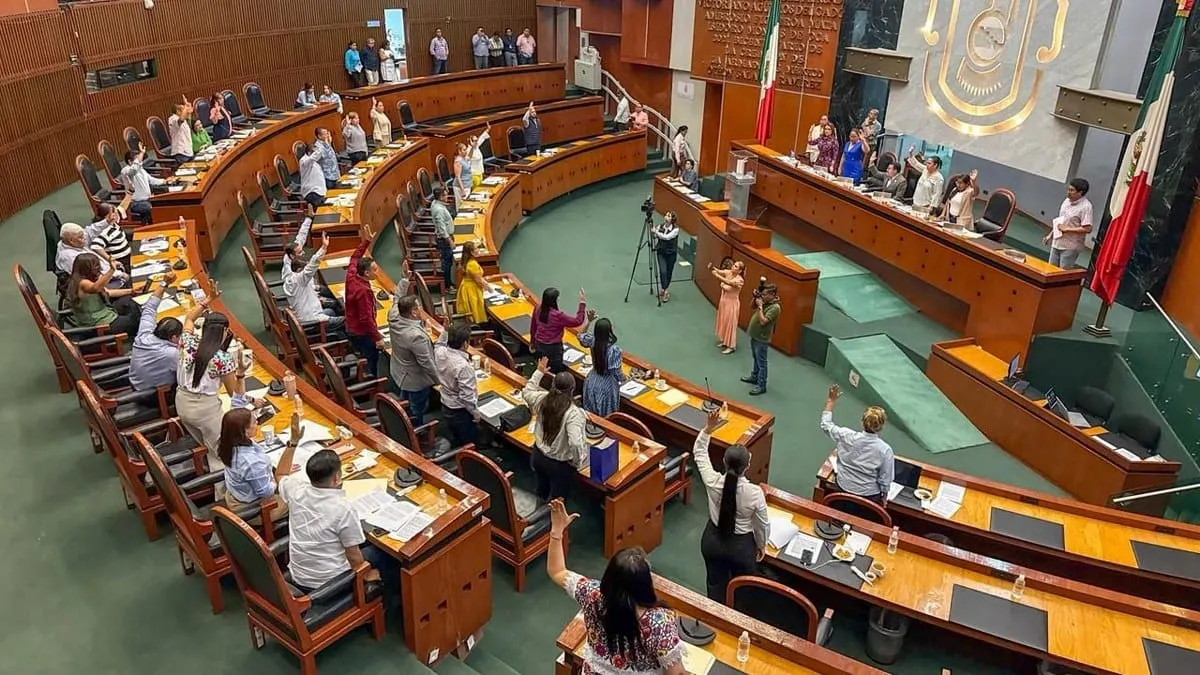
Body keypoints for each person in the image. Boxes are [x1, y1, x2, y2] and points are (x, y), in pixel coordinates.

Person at [546, 502, 687, 674]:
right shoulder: (659, 623)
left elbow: (557, 570)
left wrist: (557, 531)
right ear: (645, 584)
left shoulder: (592, 594)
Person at [279, 449, 388, 590]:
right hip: (330, 584)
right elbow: (354, 557)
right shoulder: (343, 509)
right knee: (385, 556)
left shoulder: (296, 490)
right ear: (336, 477)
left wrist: (293, 443)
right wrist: (366, 575)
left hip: (299, 574)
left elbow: (280, 474)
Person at [695, 407, 768, 601]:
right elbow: (762, 525)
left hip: (712, 540)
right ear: (747, 467)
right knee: (742, 590)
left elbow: (700, 453)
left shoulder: (712, 481)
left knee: (714, 584)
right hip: (741, 547)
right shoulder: (755, 493)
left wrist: (708, 429)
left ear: (724, 463)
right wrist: (761, 545)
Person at [175, 309, 248, 460]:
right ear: (226, 331)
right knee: (223, 453)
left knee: (206, 445)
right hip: (205, 410)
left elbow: (189, 317)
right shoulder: (222, 359)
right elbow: (234, 395)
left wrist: (207, 301)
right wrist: (240, 373)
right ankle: (220, 482)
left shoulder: (186, 340)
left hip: (182, 402)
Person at [523, 356, 587, 501]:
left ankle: (537, 517)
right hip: (559, 466)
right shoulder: (573, 413)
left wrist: (539, 372)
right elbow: (576, 443)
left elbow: (527, 392)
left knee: (540, 492)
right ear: (572, 390)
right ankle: (552, 523)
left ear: (553, 385)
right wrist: (577, 462)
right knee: (557, 503)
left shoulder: (542, 399)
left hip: (538, 455)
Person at [219, 409, 300, 523]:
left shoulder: (230, 443)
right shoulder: (251, 462)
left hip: (236, 496)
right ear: (245, 431)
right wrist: (280, 475)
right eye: (254, 422)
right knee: (296, 497)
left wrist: (280, 469)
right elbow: (266, 492)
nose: (257, 422)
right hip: (255, 507)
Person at [821, 384, 894, 507]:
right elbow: (885, 481)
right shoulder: (885, 450)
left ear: (862, 421)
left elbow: (826, 424)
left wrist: (831, 400)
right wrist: (884, 499)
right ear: (881, 426)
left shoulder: (845, 435)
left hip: (841, 491)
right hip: (868, 500)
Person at [130, 272, 190, 392]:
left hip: (137, 381)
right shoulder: (170, 353)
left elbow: (150, 307)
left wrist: (165, 283)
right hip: (152, 394)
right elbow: (190, 369)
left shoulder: (145, 334)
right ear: (173, 337)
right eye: (180, 336)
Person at [388, 292, 439, 427]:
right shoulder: (416, 336)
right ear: (414, 312)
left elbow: (396, 299)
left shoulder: (393, 317)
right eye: (419, 307)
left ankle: (403, 417)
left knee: (405, 398)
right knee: (417, 408)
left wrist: (404, 280)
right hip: (416, 379)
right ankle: (415, 430)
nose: (421, 309)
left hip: (400, 371)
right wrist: (439, 381)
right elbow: (426, 363)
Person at [66, 253, 141, 335]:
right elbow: (96, 288)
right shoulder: (82, 283)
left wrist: (131, 291)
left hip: (105, 311)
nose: (99, 268)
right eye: (96, 266)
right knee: (138, 318)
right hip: (99, 323)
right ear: (87, 268)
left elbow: (108, 292)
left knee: (131, 302)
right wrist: (112, 270)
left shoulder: (82, 279)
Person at [344, 226, 385, 377]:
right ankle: (371, 381)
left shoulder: (352, 274)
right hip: (360, 331)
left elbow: (354, 258)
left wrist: (366, 241)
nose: (377, 271)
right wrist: (378, 337)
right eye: (375, 270)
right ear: (366, 273)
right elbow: (366, 318)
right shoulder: (364, 291)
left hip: (351, 324)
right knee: (371, 357)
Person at [433, 321, 480, 447]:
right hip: (461, 412)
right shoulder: (463, 367)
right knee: (469, 442)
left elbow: (439, 344)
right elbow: (467, 397)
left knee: (456, 436)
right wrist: (475, 414)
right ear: (465, 343)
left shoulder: (440, 353)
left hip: (445, 404)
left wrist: (445, 331)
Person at [284, 232, 344, 331]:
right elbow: (312, 265)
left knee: (331, 311)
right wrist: (324, 247)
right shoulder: (300, 279)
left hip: (306, 315)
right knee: (349, 321)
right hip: (313, 322)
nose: (303, 253)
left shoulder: (290, 275)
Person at [578, 316, 626, 417]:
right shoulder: (614, 350)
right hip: (607, 386)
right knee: (606, 417)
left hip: (592, 380)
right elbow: (616, 371)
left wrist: (588, 321)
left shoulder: (592, 341)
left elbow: (580, 335)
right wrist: (625, 379)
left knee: (590, 413)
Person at [531, 287, 587, 373]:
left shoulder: (538, 308)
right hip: (553, 348)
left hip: (539, 344)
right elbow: (578, 321)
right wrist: (582, 303)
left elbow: (533, 326)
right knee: (555, 370)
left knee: (541, 366)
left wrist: (532, 342)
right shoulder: (558, 315)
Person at [739, 283, 779, 396]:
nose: (763, 296)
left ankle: (762, 385)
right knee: (755, 358)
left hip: (762, 338)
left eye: (765, 294)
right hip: (755, 335)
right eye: (762, 294)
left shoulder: (775, 307)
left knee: (762, 362)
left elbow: (763, 321)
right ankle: (754, 376)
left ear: (772, 295)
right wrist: (755, 298)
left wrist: (760, 306)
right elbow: (752, 306)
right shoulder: (764, 301)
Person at [1045, 177, 1093, 269]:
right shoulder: (1066, 201)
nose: (1068, 192)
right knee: (1050, 270)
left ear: (1080, 192)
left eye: (1072, 190)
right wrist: (1050, 234)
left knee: (1061, 273)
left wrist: (1068, 229)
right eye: (1068, 189)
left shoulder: (1086, 207)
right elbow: (1060, 221)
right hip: (1057, 242)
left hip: (1070, 246)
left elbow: (1088, 228)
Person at [120, 146, 170, 224]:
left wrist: (165, 181)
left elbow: (151, 180)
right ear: (130, 161)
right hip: (136, 202)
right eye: (138, 159)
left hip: (148, 199)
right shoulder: (126, 171)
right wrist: (142, 153)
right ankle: (148, 227)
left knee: (164, 202)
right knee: (154, 209)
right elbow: (133, 171)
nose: (140, 161)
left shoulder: (141, 169)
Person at [709, 259, 744, 354]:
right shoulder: (729, 272)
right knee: (724, 320)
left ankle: (731, 346)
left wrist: (717, 276)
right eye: (734, 265)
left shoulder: (739, 280)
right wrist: (713, 268)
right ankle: (725, 341)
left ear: (740, 271)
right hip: (724, 301)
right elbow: (720, 271)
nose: (733, 267)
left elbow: (729, 283)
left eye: (736, 266)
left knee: (730, 323)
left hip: (732, 303)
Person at [85, 203, 132, 272]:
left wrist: (130, 193)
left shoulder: (113, 223)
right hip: (121, 260)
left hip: (127, 257)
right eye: (115, 213)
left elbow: (122, 207)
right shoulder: (106, 230)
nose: (117, 215)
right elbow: (95, 246)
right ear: (108, 216)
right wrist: (110, 259)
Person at [455, 240, 490, 326]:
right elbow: (479, 281)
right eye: (476, 249)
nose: (478, 250)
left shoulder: (466, 261)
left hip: (467, 287)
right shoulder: (472, 264)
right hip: (472, 290)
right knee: (476, 309)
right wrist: (489, 288)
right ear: (471, 252)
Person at [429, 186, 455, 289]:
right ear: (440, 197)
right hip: (444, 240)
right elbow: (441, 228)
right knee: (447, 263)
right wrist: (450, 241)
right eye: (445, 195)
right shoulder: (439, 210)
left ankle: (448, 283)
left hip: (444, 238)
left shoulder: (435, 203)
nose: (447, 196)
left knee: (448, 261)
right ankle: (447, 286)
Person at [653, 211, 679, 302]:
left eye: (669, 216)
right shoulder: (660, 226)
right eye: (666, 215)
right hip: (661, 252)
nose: (666, 217)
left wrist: (656, 232)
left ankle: (664, 289)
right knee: (663, 271)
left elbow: (666, 237)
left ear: (672, 219)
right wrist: (654, 233)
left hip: (671, 254)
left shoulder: (675, 230)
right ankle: (665, 291)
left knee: (668, 272)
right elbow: (656, 236)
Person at [297, 142, 327, 210]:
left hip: (319, 191)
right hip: (312, 193)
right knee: (324, 210)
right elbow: (314, 157)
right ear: (310, 153)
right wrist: (323, 144)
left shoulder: (316, 163)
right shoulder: (304, 161)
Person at [167, 100, 194, 164]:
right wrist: (186, 108)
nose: (185, 111)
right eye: (183, 109)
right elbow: (181, 120)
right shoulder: (172, 119)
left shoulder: (184, 120)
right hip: (181, 153)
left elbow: (189, 128)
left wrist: (189, 113)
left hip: (188, 151)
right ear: (178, 111)